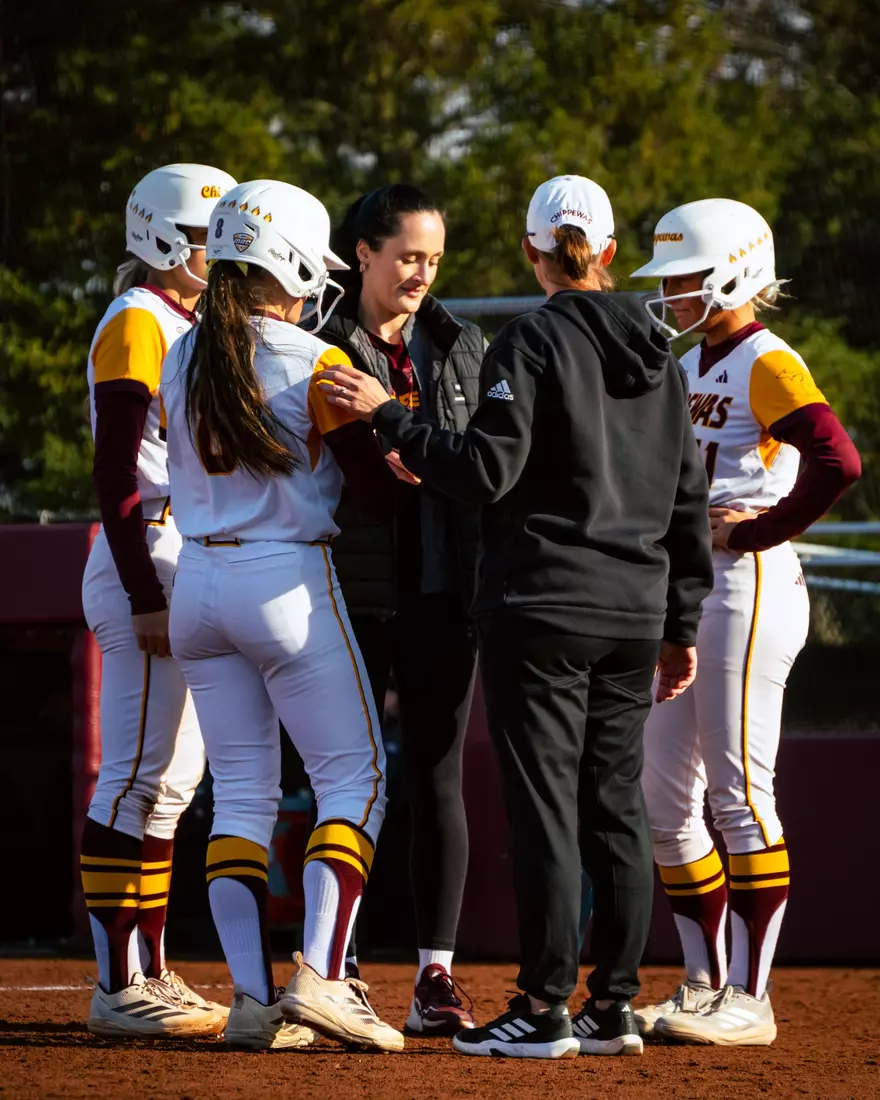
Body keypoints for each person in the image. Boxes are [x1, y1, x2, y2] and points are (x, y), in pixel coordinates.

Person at [316, 174, 714, 1059]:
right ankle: (612, 1005)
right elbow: (691, 500)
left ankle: (542, 1006)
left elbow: (487, 471)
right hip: (636, 610)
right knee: (613, 806)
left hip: (543, 606)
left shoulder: (529, 341)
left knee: (546, 810)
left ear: (532, 254)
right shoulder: (661, 351)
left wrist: (389, 417)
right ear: (610, 252)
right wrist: (682, 621)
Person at [159, 179, 404, 1053]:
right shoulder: (312, 358)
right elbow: (374, 493)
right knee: (356, 777)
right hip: (286, 580)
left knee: (240, 801)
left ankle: (254, 1002)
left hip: (198, 585)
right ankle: (324, 977)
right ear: (289, 260)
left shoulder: (179, 353)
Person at [630, 198, 861, 1046]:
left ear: (730, 271)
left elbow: (838, 458)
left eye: (685, 275)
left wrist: (757, 528)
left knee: (737, 792)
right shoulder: (700, 361)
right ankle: (702, 984)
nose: (673, 292)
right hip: (693, 584)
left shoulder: (766, 356)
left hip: (747, 581)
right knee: (663, 796)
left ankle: (750, 998)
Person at [318, 184, 485, 1034]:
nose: (422, 273)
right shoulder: (317, 341)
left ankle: (435, 979)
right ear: (364, 254)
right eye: (408, 255)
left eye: (433, 258)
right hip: (345, 589)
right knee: (342, 780)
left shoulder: (463, 344)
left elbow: (485, 464)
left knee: (434, 775)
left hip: (442, 591)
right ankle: (335, 967)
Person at [81, 163, 237, 1038]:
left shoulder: (179, 319)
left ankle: (151, 968)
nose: (215, 255)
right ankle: (115, 983)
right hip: (146, 551)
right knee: (136, 774)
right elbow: (114, 471)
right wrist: (144, 588)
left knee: (172, 784)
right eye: (203, 240)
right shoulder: (142, 317)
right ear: (157, 237)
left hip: (179, 545)